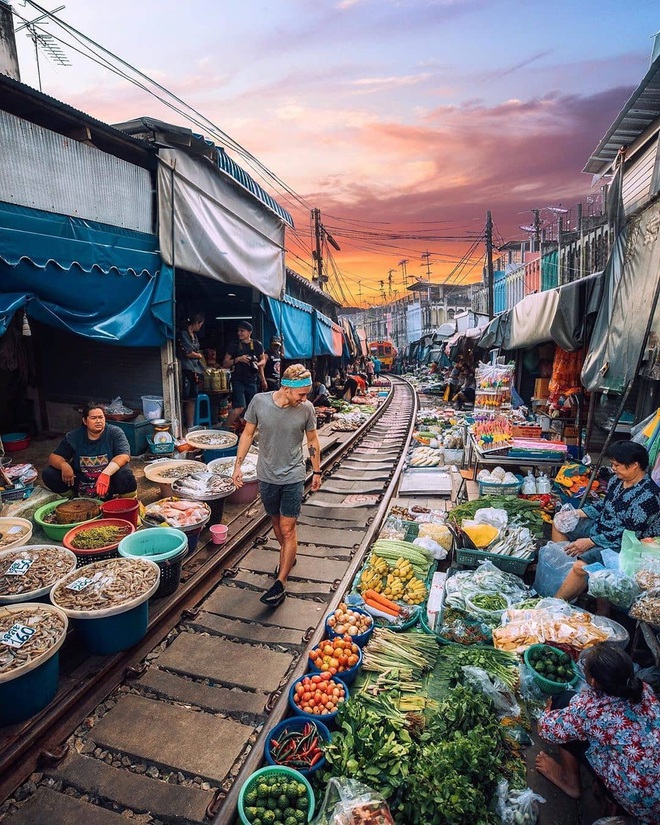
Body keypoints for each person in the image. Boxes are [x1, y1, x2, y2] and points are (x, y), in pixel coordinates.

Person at [537, 643, 660, 822]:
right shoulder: (644, 689)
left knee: (561, 703)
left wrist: (549, 711)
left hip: (641, 803)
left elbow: (545, 730)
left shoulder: (592, 711)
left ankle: (569, 781)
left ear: (593, 681)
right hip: (653, 791)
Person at [232, 365, 321, 607]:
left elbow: (312, 440)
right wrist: (237, 466)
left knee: (288, 527)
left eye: (306, 394)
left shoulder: (306, 409)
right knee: (275, 521)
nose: (305, 399)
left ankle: (280, 582)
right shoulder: (259, 402)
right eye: (301, 394)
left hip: (293, 476)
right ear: (286, 388)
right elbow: (247, 435)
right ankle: (288, 556)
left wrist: (317, 470)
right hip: (267, 475)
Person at [552, 441, 660, 602]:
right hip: (602, 529)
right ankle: (565, 575)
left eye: (617, 465)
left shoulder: (648, 496)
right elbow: (604, 505)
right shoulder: (617, 481)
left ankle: (554, 603)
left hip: (625, 546)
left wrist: (590, 542)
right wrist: (575, 513)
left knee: (580, 567)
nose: (613, 468)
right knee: (559, 523)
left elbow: (628, 534)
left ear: (634, 465)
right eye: (612, 464)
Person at [43, 402, 136, 499]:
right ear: (84, 421)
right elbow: (53, 457)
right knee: (49, 473)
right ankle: (70, 498)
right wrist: (64, 465)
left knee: (125, 475)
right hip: (81, 482)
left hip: (109, 481)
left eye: (101, 417)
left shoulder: (115, 432)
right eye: (93, 418)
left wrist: (106, 474)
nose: (98, 421)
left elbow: (124, 456)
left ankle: (128, 502)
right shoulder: (74, 436)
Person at [222, 321, 267, 431]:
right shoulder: (234, 345)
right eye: (238, 331)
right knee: (239, 407)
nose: (239, 333)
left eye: (242, 331)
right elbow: (225, 363)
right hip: (238, 380)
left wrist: (262, 376)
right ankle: (224, 430)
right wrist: (238, 359)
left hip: (252, 380)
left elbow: (263, 361)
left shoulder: (257, 344)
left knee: (252, 410)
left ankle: (248, 435)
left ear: (249, 332)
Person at [176, 312, 205, 430]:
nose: (200, 327)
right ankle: (182, 425)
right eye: (201, 324)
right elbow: (188, 353)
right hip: (187, 369)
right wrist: (198, 355)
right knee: (185, 397)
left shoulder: (194, 335)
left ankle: (190, 425)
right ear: (197, 323)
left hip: (195, 370)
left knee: (193, 398)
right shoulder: (184, 334)